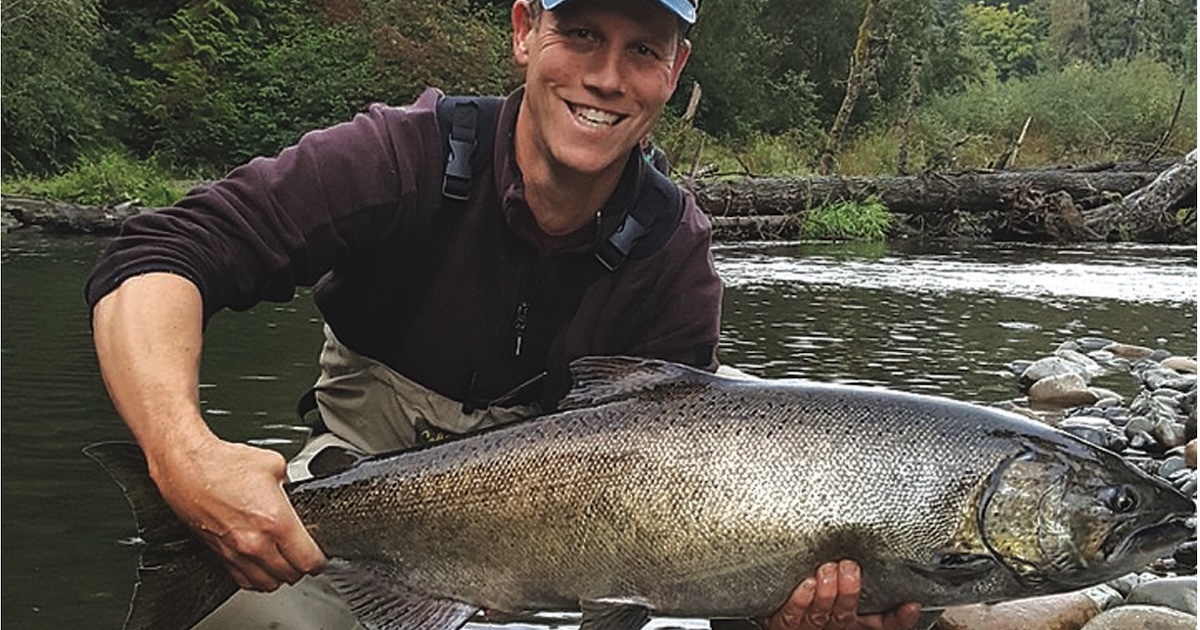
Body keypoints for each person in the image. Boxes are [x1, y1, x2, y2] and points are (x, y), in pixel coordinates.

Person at [85, 0, 920, 628]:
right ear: (525, 31)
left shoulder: (672, 256)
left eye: (642, 51)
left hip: (586, 542)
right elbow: (156, 255)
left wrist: (777, 600)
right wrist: (183, 454)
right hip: (365, 496)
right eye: (582, 33)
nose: (605, 76)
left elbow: (680, 540)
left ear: (675, 71)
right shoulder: (399, 158)